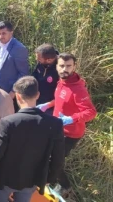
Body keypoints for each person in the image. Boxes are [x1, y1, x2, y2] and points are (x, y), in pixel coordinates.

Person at [0, 76, 65, 202]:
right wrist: (49, 179)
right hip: (31, 179)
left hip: (5, 179)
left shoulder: (8, 122)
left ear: (18, 96)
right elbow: (58, 158)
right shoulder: (55, 124)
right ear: (37, 95)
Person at [35, 53, 97, 196]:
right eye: (62, 66)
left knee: (55, 160)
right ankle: (52, 179)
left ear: (74, 66)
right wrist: (48, 104)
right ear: (56, 66)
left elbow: (91, 112)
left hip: (71, 133)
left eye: (69, 66)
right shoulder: (62, 82)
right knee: (49, 155)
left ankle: (65, 186)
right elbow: (61, 100)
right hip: (58, 128)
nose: (65, 69)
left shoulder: (78, 89)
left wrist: (71, 118)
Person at [0, 21, 29, 111]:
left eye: (4, 33)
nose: (1, 36)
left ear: (11, 33)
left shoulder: (19, 48)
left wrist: (13, 92)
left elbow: (23, 74)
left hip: (12, 93)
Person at [33, 43, 59, 115]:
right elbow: (34, 76)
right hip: (38, 101)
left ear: (49, 60)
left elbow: (62, 93)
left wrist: (49, 105)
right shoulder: (41, 63)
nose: (37, 60)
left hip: (52, 106)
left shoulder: (60, 68)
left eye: (39, 59)